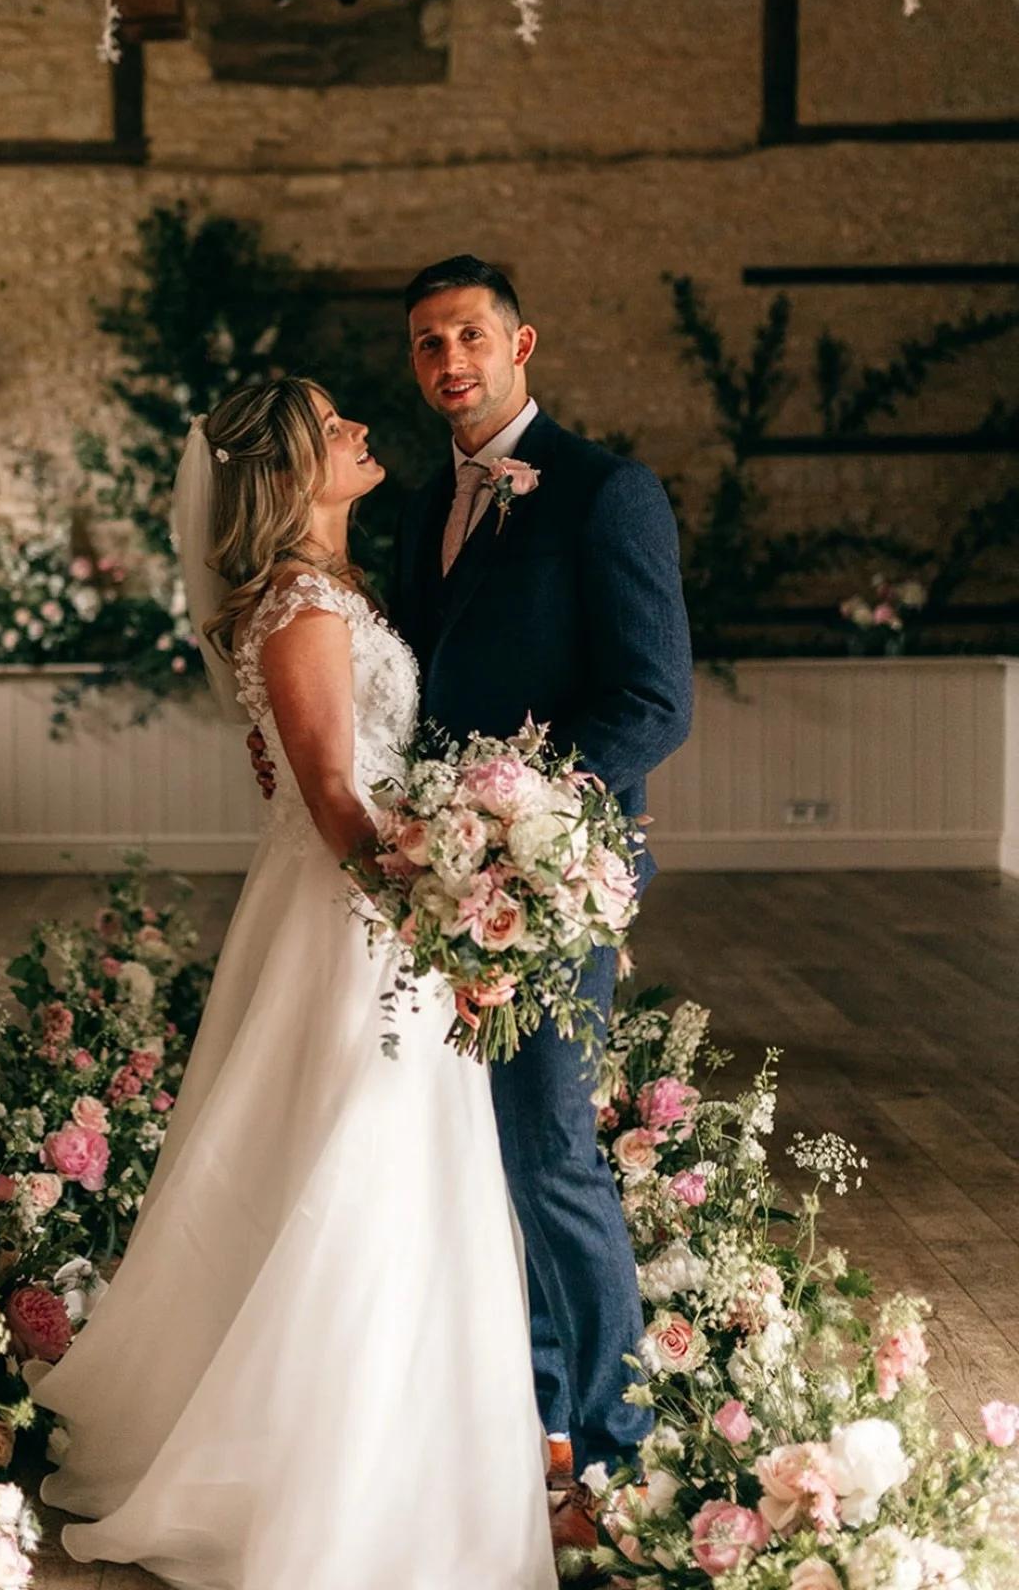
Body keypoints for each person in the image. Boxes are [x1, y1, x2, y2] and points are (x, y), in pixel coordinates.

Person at [30, 376, 556, 1590]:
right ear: (285, 473)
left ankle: (397, 1456)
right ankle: (339, 1477)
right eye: (335, 427)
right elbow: (333, 807)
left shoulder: (333, 595)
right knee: (357, 1172)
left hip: (353, 918)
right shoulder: (306, 608)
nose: (365, 430)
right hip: (357, 926)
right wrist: (452, 932)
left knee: (357, 1166)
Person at [390, 254, 693, 1547]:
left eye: (468, 334)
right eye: (424, 344)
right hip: (437, 886)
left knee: (551, 1150)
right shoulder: (422, 505)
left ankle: (619, 1449)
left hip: (551, 884)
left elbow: (650, 700)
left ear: (524, 345)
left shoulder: (606, 492)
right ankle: (526, 1415)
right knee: (466, 1156)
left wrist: (520, 825)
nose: (447, 360)